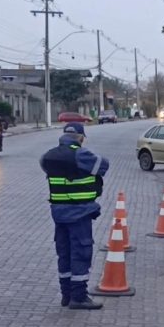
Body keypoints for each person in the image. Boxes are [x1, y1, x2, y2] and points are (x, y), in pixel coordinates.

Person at [40, 122, 110, 310]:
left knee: (64, 253)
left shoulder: (48, 156)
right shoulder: (81, 154)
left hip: (58, 213)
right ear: (80, 137)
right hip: (79, 213)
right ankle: (78, 297)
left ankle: (66, 294)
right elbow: (103, 166)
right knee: (80, 252)